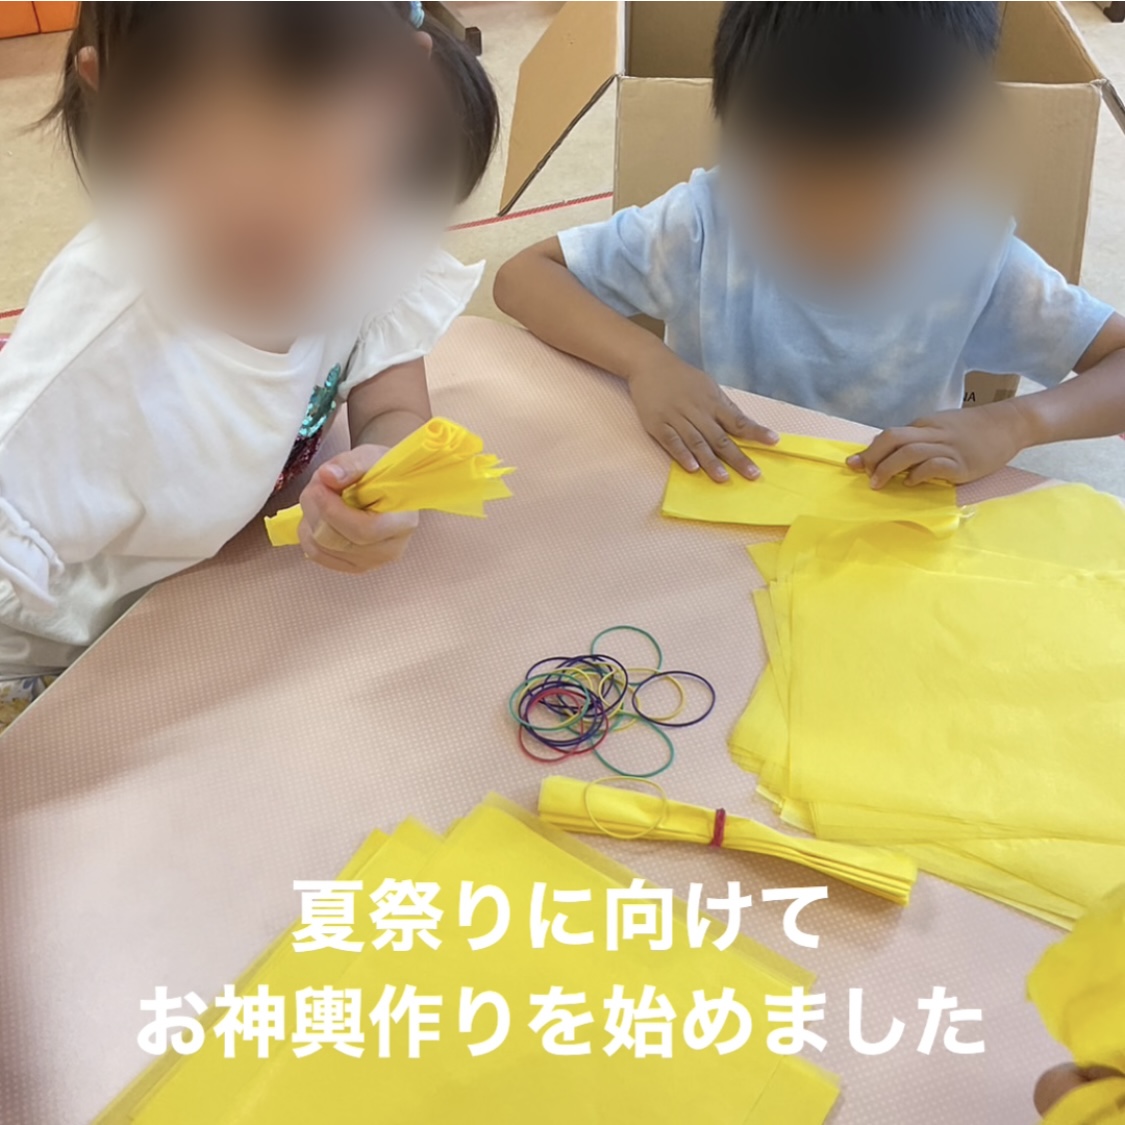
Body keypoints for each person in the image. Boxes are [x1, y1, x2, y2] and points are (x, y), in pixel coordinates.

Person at [0, 1, 498, 712]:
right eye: (192, 139)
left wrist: (384, 471)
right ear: (112, 96)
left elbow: (392, 402)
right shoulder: (93, 343)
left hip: (195, 611)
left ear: (397, 91)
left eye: (300, 134)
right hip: (48, 659)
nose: (246, 193)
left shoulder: (371, 229)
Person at [495, 1, 1125, 489]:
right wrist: (647, 363)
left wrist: (1017, 423)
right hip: (719, 501)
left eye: (876, 188)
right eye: (792, 181)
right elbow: (524, 276)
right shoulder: (709, 219)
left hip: (884, 525)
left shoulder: (976, 258)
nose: (831, 219)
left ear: (949, 152)